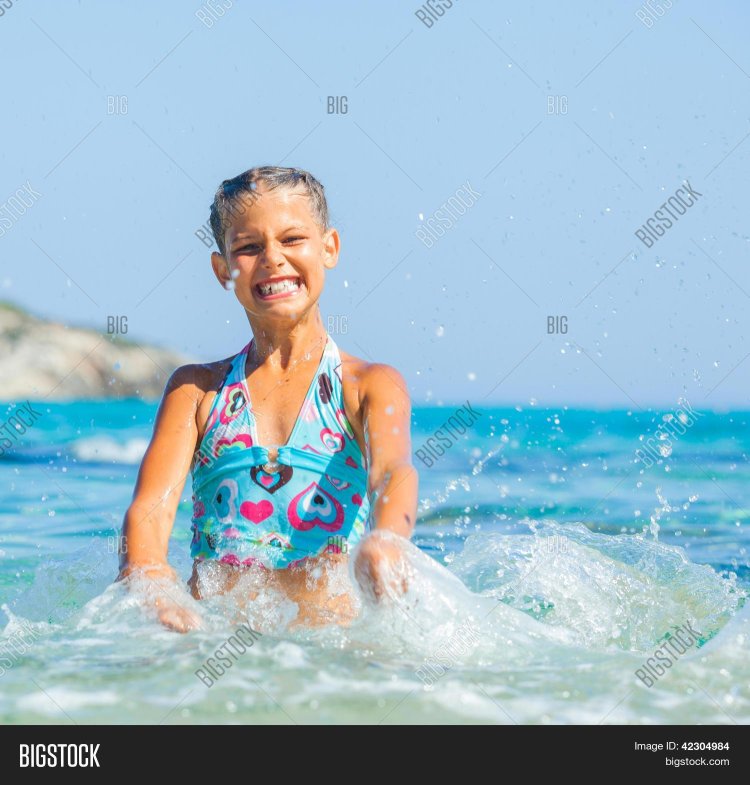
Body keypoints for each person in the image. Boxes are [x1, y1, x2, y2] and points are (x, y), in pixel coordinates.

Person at [117, 166, 418, 631]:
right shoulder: (197, 391)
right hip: (215, 641)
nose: (273, 259)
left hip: (329, 655)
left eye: (293, 239)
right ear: (223, 270)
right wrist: (153, 583)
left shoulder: (368, 386)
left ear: (329, 247)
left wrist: (388, 539)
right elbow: (149, 513)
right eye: (248, 247)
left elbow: (393, 472)